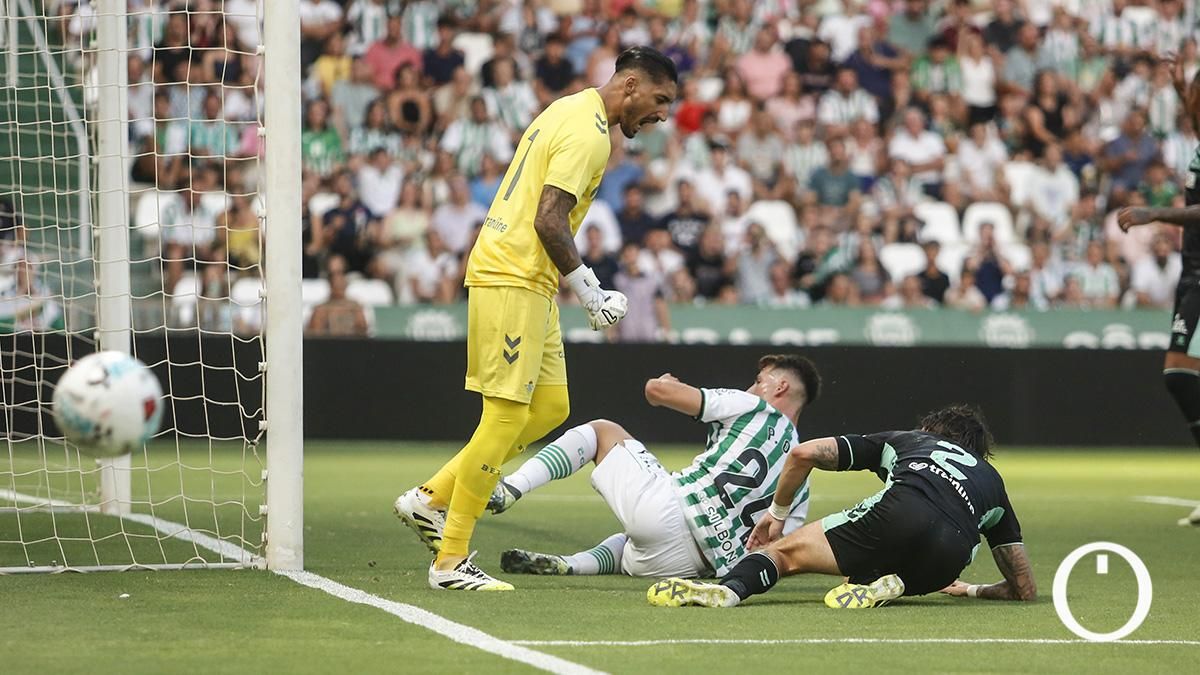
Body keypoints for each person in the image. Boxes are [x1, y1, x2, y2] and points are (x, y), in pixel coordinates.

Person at [393, 47, 678, 591]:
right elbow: (550, 220)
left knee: (551, 406)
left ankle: (429, 499)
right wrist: (591, 293)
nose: (661, 114)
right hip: (514, 275)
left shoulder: (568, 108)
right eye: (659, 100)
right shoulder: (590, 133)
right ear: (632, 85)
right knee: (503, 417)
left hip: (531, 280)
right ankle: (450, 560)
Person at [647, 405, 1036, 609]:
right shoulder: (992, 482)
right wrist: (971, 590)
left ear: (930, 430)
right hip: (949, 558)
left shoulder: (910, 440)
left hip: (900, 512)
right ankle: (897, 585)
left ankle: (731, 591)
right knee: (903, 565)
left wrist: (777, 515)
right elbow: (1023, 586)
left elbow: (803, 453)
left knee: (783, 555)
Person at [491, 355, 821, 579]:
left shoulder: (753, 406)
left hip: (672, 512)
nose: (752, 387)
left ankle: (511, 487)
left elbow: (657, 392)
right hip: (692, 566)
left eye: (759, 380)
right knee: (626, 547)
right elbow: (776, 551)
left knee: (600, 431)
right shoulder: (801, 479)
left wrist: (663, 382)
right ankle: (570, 565)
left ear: (780, 387)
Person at [1118, 55, 1200, 526]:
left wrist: (1155, 213)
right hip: (1193, 273)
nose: (1188, 107)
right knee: (1181, 377)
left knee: (1180, 376)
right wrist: (1179, 87)